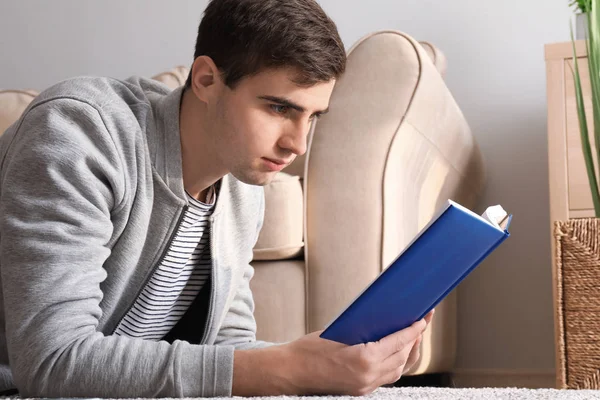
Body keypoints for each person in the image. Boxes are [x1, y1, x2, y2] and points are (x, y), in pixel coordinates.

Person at [0, 0, 434, 397]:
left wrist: (335, 362)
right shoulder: (81, 132)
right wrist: (288, 367)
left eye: (312, 116)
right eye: (280, 108)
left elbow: (232, 351)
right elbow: (51, 362)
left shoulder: (242, 188)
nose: (298, 145)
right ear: (206, 79)